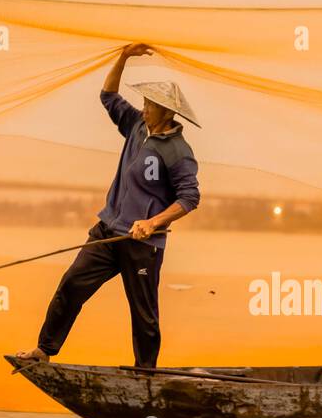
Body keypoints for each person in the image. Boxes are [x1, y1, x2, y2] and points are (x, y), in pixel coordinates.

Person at [16, 43, 200, 368]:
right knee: (71, 285)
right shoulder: (137, 127)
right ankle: (44, 350)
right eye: (144, 104)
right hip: (108, 232)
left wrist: (152, 223)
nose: (144, 109)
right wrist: (124, 57)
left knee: (143, 312)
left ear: (167, 112)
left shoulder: (178, 150)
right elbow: (108, 96)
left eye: (150, 106)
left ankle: (145, 376)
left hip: (143, 244)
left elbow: (189, 198)